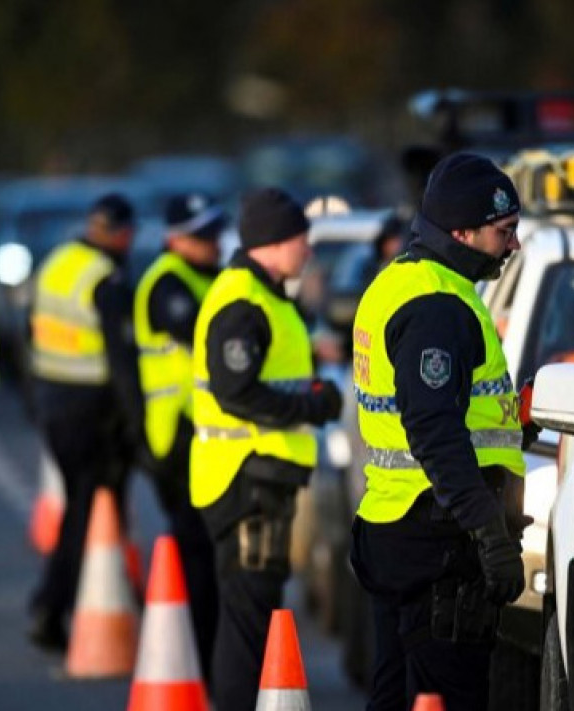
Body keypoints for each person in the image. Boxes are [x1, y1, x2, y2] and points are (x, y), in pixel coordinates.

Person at [349, 153, 532, 711]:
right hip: (438, 546)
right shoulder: (438, 307)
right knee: (445, 697)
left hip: (401, 530)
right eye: (504, 233)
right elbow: (433, 431)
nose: (513, 246)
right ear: (462, 233)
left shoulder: (403, 283)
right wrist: (489, 535)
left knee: (398, 694)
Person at [189, 187, 343, 711]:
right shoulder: (242, 302)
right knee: (249, 616)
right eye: (303, 239)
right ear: (273, 242)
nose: (308, 250)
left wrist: (312, 391)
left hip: (259, 475)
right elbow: (237, 392)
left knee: (253, 609)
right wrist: (311, 407)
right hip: (246, 476)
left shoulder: (267, 295)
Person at [27, 193, 144, 650]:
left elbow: (28, 330)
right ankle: (53, 608)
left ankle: (106, 598)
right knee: (87, 514)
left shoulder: (58, 262)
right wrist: (137, 420)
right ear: (122, 233)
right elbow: (121, 362)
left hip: (53, 400)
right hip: (92, 412)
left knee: (87, 510)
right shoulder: (106, 280)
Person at [133, 192, 223, 680]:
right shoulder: (166, 282)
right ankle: (199, 664)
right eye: (200, 234)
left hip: (205, 435)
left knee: (206, 554)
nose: (212, 241)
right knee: (196, 555)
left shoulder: (207, 276)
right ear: (174, 239)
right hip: (178, 436)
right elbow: (207, 339)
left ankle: (205, 661)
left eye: (213, 230)